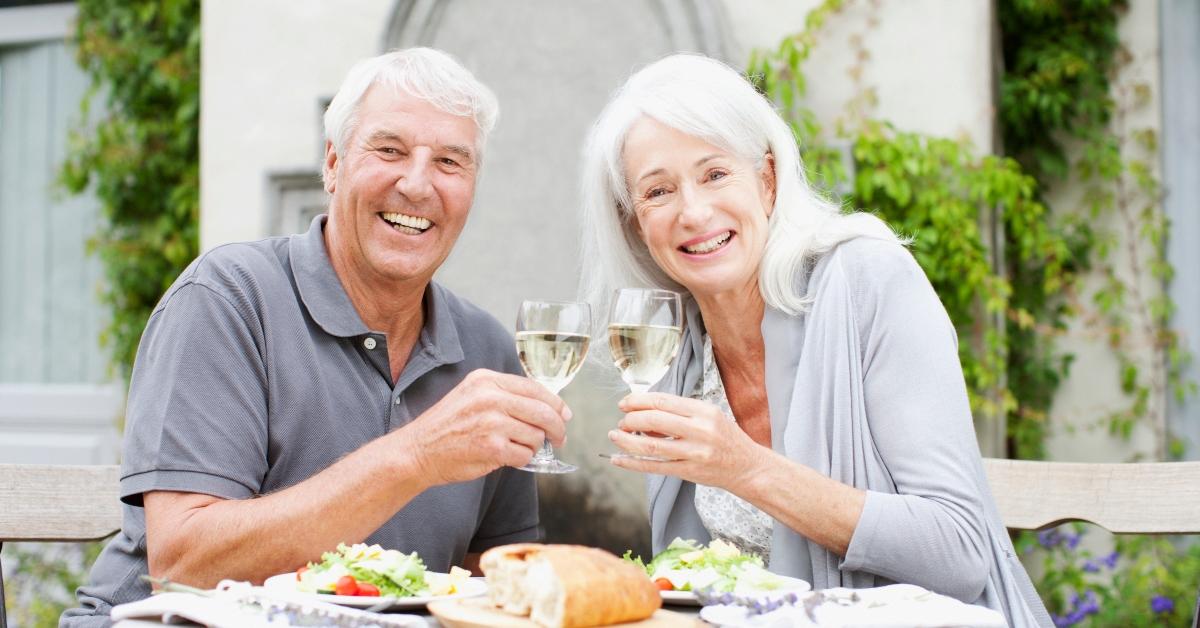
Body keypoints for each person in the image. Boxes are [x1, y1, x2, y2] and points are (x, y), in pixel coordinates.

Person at [62, 48, 570, 626]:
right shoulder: (227, 299)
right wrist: (417, 455)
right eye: (389, 150)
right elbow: (185, 562)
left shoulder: (488, 349)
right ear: (332, 163)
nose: (417, 183)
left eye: (450, 162)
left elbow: (496, 575)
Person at [577, 53, 1052, 627]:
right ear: (635, 224)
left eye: (715, 174)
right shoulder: (675, 344)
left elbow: (958, 550)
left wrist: (746, 468)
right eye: (658, 192)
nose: (693, 211)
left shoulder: (869, 280)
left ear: (768, 181)